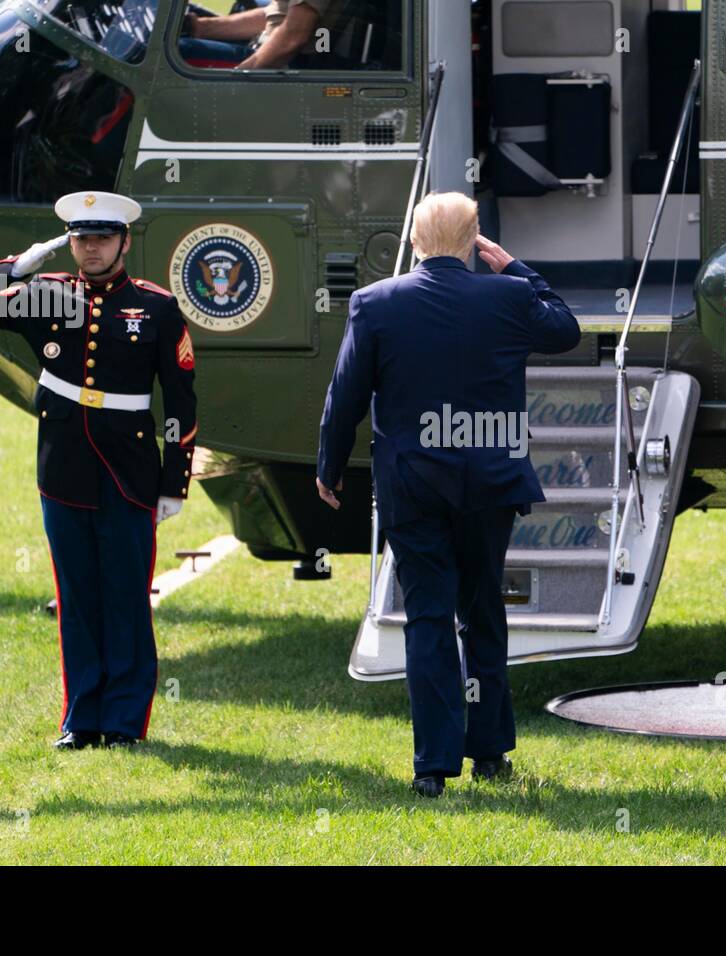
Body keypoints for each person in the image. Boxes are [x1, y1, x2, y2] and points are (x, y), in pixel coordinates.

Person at [316, 192, 581, 797]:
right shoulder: (511, 297)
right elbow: (565, 329)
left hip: (413, 485)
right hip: (490, 482)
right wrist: (515, 267)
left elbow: (346, 396)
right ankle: (489, 752)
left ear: (413, 241)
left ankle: (432, 767)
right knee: (484, 611)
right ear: (474, 242)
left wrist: (329, 467)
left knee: (428, 617)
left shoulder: (375, 303)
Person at [0, 191, 199, 750]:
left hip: (130, 471)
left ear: (125, 242)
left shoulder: (155, 307)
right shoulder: (45, 296)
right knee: (77, 595)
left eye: (102, 238)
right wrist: (23, 263)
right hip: (63, 467)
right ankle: (82, 719)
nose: (91, 248)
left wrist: (174, 481)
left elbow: (180, 400)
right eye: (81, 239)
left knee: (126, 596)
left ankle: (125, 722)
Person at [180, 0, 343, 70]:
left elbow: (294, 36)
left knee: (176, 52)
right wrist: (203, 27)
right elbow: (277, 15)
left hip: (286, 66)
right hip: (270, 50)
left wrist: (239, 77)